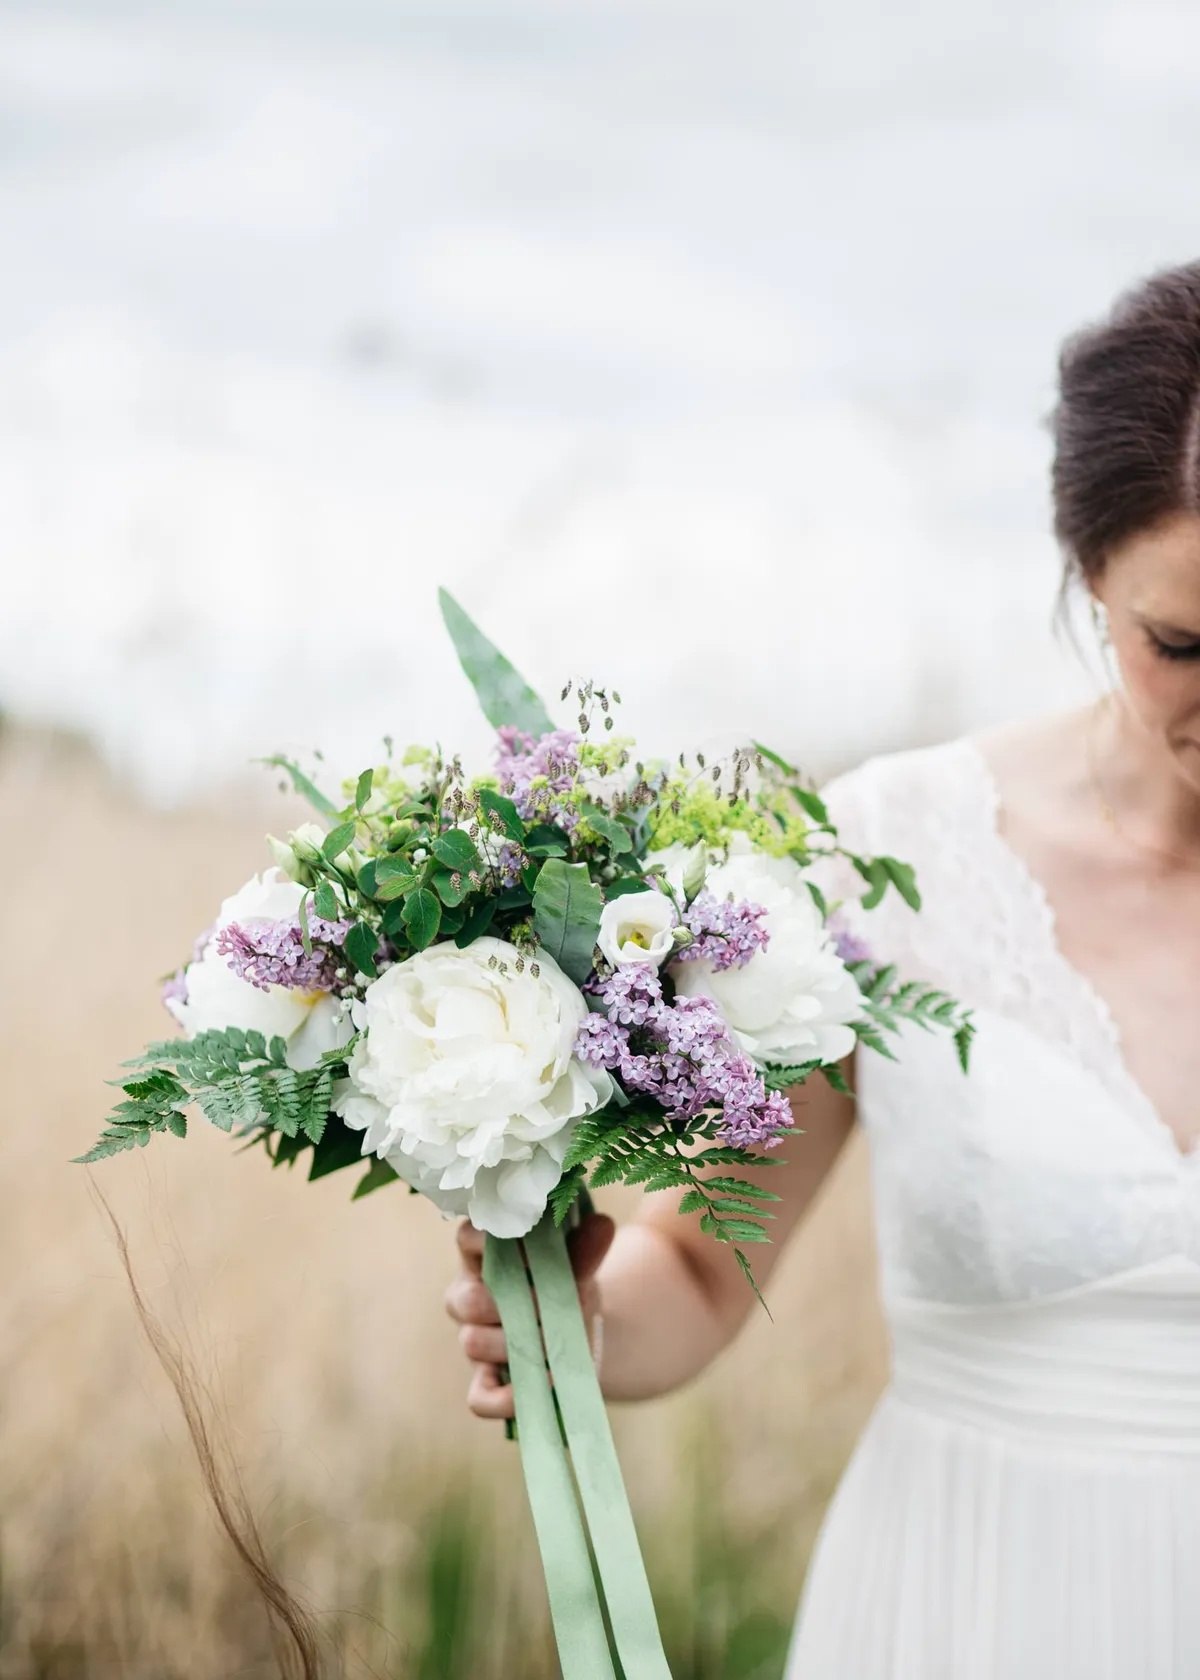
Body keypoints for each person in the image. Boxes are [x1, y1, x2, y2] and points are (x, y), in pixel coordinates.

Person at [445, 260, 1200, 1678]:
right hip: (971, 1604)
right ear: (1090, 575)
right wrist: (580, 1323)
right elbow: (706, 1271)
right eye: (1183, 643)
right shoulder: (885, 850)